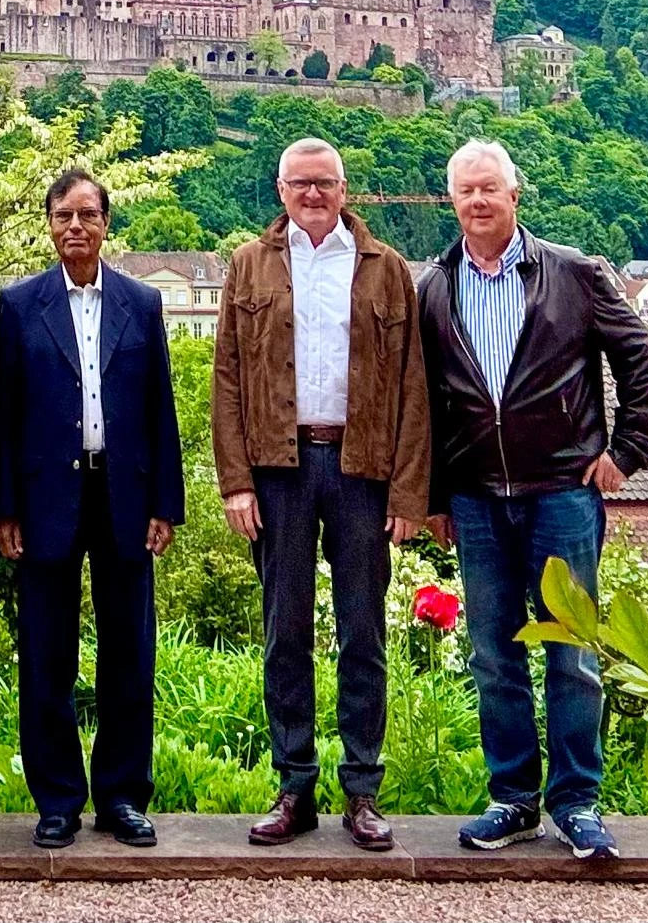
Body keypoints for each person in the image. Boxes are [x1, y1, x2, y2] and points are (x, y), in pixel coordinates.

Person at [418, 139, 648, 860]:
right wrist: (435, 492)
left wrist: (627, 451)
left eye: (490, 188)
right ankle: (514, 800)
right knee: (493, 655)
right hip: (476, 498)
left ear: (514, 195)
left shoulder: (573, 272)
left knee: (572, 655)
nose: (479, 201)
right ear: (452, 200)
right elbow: (425, 402)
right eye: (466, 191)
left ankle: (578, 803)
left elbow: (640, 357)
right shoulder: (433, 286)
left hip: (562, 490)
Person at [211, 137, 429, 852]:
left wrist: (408, 492)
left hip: (363, 465)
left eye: (324, 183)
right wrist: (236, 481)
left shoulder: (387, 269)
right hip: (279, 466)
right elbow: (228, 382)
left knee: (362, 632)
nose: (312, 193)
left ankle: (362, 791)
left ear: (344, 190)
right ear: (280, 189)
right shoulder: (248, 265)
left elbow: (412, 388)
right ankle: (294, 787)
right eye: (300, 182)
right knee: (285, 633)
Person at [0, 168, 184, 849]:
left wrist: (166, 502)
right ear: (48, 224)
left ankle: (123, 795)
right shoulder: (19, 305)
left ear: (106, 224)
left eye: (88, 216)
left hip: (124, 491)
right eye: (64, 216)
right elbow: (2, 415)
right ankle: (58, 800)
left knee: (130, 649)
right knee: (47, 653)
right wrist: (3, 505)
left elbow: (162, 406)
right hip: (45, 496)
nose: (77, 227)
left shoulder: (142, 302)